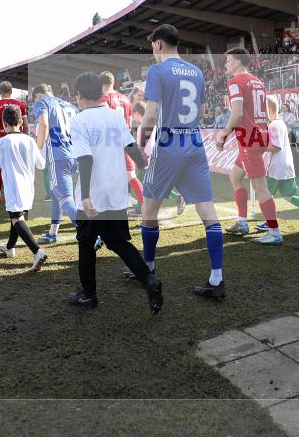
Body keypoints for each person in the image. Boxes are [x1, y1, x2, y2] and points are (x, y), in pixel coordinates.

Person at [139, 24, 225, 300]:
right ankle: (216, 278)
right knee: (208, 213)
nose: (153, 49)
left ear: (159, 44)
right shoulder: (197, 71)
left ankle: (148, 267)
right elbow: (200, 111)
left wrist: (140, 145)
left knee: (148, 208)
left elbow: (150, 115)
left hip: (168, 147)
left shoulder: (158, 71)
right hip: (194, 144)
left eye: (153, 44)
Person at [68, 73, 163, 314]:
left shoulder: (79, 120)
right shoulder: (114, 116)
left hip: (95, 192)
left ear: (79, 95)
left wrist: (86, 194)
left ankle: (88, 295)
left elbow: (85, 158)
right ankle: (148, 279)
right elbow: (131, 147)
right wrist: (141, 163)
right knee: (119, 241)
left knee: (86, 244)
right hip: (116, 190)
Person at [215, 47, 281, 243]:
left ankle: (275, 233)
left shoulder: (235, 81)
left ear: (237, 62)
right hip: (260, 134)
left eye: (228, 61)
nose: (226, 64)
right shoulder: (257, 81)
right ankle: (242, 222)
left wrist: (223, 135)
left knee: (260, 187)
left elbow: (237, 114)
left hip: (249, 139)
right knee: (235, 175)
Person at [0, 104, 48, 272]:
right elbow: (41, 164)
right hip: (28, 186)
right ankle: (10, 247)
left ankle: (37, 251)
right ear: (20, 121)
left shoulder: (3, 142)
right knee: (16, 216)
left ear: (4, 123)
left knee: (17, 218)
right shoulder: (30, 140)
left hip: (13, 186)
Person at [254, 95, 299, 242]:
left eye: (262, 109)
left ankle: (271, 225)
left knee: (265, 196)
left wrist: (258, 147)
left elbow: (275, 147)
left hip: (276, 167)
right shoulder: (279, 123)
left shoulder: (274, 125)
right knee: (289, 196)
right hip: (284, 165)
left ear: (268, 109)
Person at [31, 83, 79, 244]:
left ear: (38, 96)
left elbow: (44, 125)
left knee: (65, 198)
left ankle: (91, 233)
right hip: (74, 154)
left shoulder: (42, 102)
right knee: (56, 194)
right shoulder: (69, 104)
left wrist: (36, 149)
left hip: (58, 156)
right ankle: (53, 232)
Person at [99, 71, 144, 213]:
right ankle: (146, 208)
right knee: (131, 176)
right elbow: (129, 124)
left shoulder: (101, 99)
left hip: (108, 143)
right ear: (113, 83)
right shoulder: (125, 99)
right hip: (125, 141)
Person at [0, 81, 28, 203]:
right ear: (11, 91)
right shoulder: (20, 105)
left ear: (0, 92)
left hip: (3, 139)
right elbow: (26, 126)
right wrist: (25, 138)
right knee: (18, 166)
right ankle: (20, 193)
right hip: (19, 139)